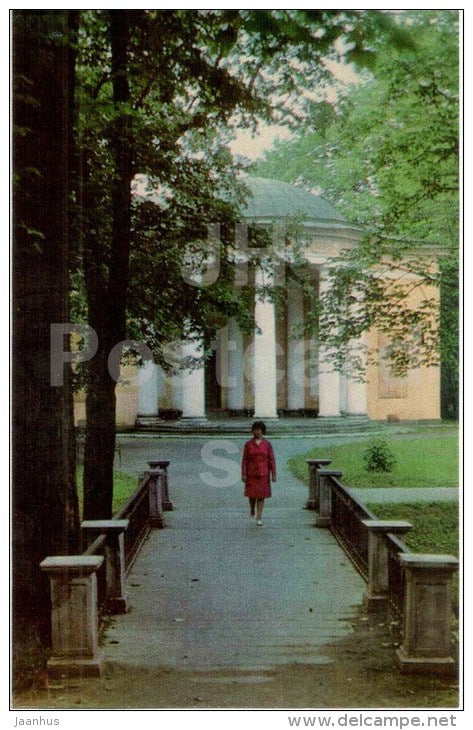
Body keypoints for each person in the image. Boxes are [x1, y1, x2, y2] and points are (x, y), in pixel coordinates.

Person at [241, 420, 277, 526]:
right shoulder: (248, 444)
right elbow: (245, 460)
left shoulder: (267, 444)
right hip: (251, 473)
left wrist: (273, 474)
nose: (257, 432)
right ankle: (252, 511)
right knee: (252, 495)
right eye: (255, 430)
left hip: (263, 474)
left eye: (259, 430)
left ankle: (259, 516)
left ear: (262, 431)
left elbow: (271, 460)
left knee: (261, 496)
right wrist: (243, 473)